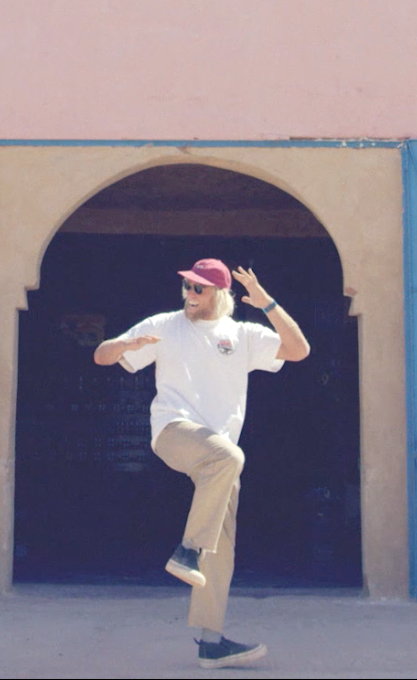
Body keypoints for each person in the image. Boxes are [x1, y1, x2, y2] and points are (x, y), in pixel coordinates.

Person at [92, 258, 311, 669]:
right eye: (187, 286)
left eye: (198, 288)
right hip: (175, 432)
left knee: (222, 545)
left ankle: (211, 642)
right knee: (231, 457)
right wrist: (123, 346)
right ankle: (187, 549)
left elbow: (299, 350)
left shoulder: (243, 334)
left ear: (219, 294)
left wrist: (266, 303)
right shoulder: (164, 325)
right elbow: (101, 356)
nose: (189, 294)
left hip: (219, 459)